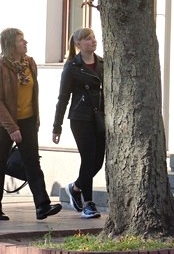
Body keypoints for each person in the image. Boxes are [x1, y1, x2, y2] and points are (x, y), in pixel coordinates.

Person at [0, 28, 62, 220]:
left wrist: (35, 121)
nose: (25, 43)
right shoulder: (2, 66)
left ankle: (42, 206)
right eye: (21, 40)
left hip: (28, 120)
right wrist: (12, 127)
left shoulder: (30, 63)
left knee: (32, 162)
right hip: (4, 123)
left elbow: (33, 95)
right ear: (10, 44)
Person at [52, 28, 105, 219]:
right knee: (88, 159)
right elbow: (63, 98)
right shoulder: (72, 67)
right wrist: (57, 126)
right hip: (80, 118)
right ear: (78, 44)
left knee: (98, 161)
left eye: (93, 37)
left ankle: (75, 188)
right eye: (88, 39)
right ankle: (88, 204)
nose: (93, 41)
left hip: (100, 117)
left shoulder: (102, 63)